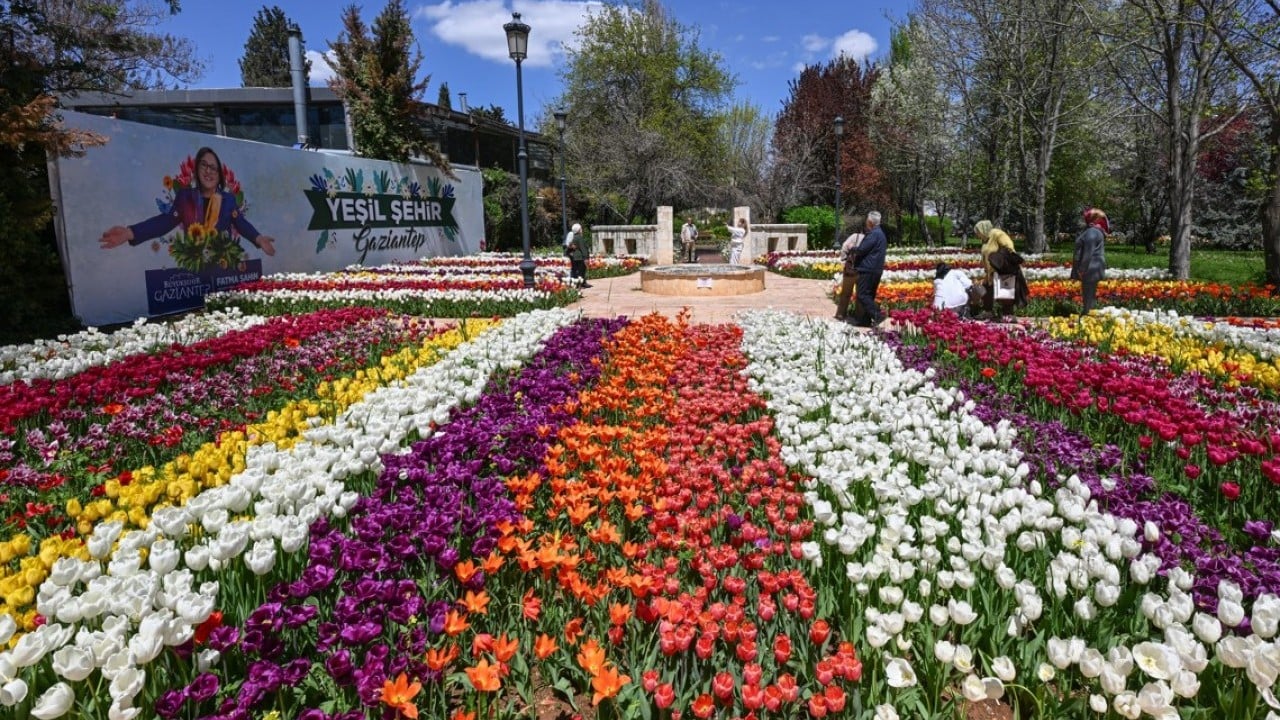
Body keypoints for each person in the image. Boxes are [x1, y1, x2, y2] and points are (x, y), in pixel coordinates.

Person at [100, 146, 276, 257]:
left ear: (219, 174)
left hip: (222, 267)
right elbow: (164, 222)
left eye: (213, 167)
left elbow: (241, 223)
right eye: (204, 166)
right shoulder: (185, 197)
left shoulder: (228, 200)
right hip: (194, 268)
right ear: (196, 171)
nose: (209, 171)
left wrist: (258, 238)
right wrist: (130, 232)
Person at [848, 211, 887, 327]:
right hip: (875, 269)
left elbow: (862, 249)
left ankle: (878, 314)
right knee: (869, 295)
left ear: (870, 222)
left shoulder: (874, 234)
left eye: (866, 220)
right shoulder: (880, 233)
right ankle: (865, 320)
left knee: (862, 294)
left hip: (868, 269)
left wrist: (852, 248)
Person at [974, 219, 1017, 320]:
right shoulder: (986, 240)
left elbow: (1009, 248)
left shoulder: (998, 234)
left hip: (1003, 269)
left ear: (983, 229)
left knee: (1005, 291)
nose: (977, 235)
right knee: (986, 290)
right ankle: (988, 312)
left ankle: (1008, 314)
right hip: (991, 272)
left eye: (978, 232)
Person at [1072, 207, 1109, 313]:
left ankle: (1088, 315)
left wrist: (1082, 269)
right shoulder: (1096, 231)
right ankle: (1089, 313)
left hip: (1090, 268)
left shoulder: (1092, 232)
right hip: (1094, 267)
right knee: (1090, 293)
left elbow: (1088, 252)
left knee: (1088, 293)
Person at [834, 230, 865, 320]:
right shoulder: (870, 238)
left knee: (846, 293)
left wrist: (844, 259)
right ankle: (859, 316)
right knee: (860, 294)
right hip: (862, 270)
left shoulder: (855, 236)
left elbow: (844, 246)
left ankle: (840, 314)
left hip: (850, 270)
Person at [565, 222, 591, 288]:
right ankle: (581, 284)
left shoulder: (574, 237)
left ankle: (580, 283)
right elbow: (583, 248)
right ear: (579, 230)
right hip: (580, 257)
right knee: (581, 271)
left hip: (575, 257)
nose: (582, 230)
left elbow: (569, 245)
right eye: (581, 229)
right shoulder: (579, 237)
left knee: (577, 270)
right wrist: (586, 257)